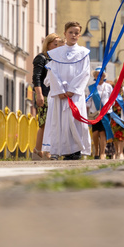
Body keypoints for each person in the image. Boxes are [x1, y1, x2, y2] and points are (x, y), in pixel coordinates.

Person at [43, 21, 92, 160]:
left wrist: (72, 90)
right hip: (60, 94)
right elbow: (53, 72)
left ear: (79, 35)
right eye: (70, 32)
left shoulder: (83, 53)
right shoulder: (55, 53)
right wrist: (59, 89)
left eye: (76, 33)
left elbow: (84, 73)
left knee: (75, 121)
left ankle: (75, 150)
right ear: (65, 34)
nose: (73, 35)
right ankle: (60, 150)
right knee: (60, 122)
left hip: (74, 94)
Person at [31, 33, 63, 160]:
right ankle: (39, 150)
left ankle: (45, 150)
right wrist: (39, 95)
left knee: (53, 123)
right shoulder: (42, 58)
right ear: (48, 44)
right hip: (44, 94)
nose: (57, 46)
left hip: (55, 94)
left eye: (59, 44)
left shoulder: (57, 59)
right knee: (44, 123)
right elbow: (36, 77)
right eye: (55, 44)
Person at [88, 70, 112, 160]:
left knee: (103, 132)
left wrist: (109, 107)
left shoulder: (108, 86)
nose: (99, 77)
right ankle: (96, 151)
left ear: (104, 76)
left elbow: (112, 98)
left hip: (105, 112)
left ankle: (102, 153)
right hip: (94, 112)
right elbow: (88, 100)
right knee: (95, 132)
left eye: (101, 75)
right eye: (97, 75)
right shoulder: (91, 87)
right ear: (94, 76)